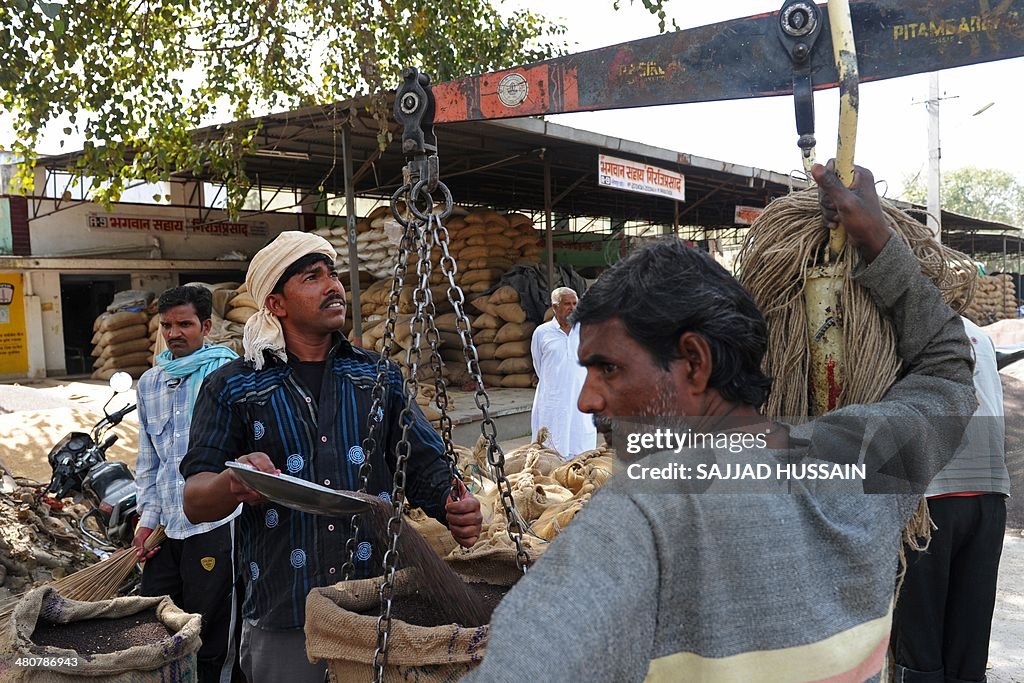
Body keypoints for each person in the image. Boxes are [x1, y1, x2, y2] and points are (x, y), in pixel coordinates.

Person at [461, 162, 977, 682]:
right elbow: (947, 366)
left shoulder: (632, 526)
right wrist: (878, 241)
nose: (587, 400)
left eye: (610, 369)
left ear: (694, 362)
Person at [179, 231, 483, 683]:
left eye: (333, 274)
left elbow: (422, 464)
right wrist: (233, 484)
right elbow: (194, 496)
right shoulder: (235, 386)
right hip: (286, 611)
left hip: (377, 606)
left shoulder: (377, 375)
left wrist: (452, 505)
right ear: (276, 304)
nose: (333, 286)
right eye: (312, 277)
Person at [890, 316, 1010, 683]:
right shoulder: (979, 334)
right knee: (969, 637)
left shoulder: (899, 327)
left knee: (920, 636)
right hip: (990, 496)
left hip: (931, 501)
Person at [133, 285, 240, 683]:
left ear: (206, 326)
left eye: (184, 324)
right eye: (166, 325)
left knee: (210, 626)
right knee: (156, 615)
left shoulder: (226, 375)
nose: (174, 333)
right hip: (166, 526)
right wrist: (147, 518)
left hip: (213, 523)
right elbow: (149, 459)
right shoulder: (149, 383)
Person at [530, 287, 597, 458]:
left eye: (575, 303)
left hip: (581, 398)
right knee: (551, 449)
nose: (572, 308)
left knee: (582, 449)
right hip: (553, 399)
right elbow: (539, 365)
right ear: (555, 307)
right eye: (567, 304)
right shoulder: (542, 333)